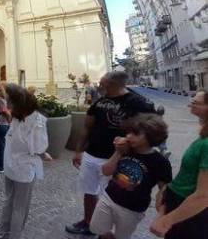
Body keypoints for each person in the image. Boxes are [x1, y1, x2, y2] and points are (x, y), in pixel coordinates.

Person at [66, 71, 156, 236]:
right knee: (89, 190)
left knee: (113, 197)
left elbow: (152, 129)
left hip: (118, 159)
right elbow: (87, 127)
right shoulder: (100, 102)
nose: (99, 86)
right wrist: (79, 151)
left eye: (102, 83)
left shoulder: (138, 103)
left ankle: (110, 231)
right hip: (92, 155)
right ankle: (88, 222)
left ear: (113, 84)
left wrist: (131, 144)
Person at [90, 114, 172, 239]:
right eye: (128, 132)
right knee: (97, 228)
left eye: (136, 134)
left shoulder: (160, 162)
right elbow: (106, 171)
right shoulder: (126, 150)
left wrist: (162, 211)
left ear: (151, 136)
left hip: (133, 209)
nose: (128, 136)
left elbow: (164, 188)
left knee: (121, 236)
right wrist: (118, 152)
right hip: (109, 197)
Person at [150, 91, 208, 239]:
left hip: (190, 213)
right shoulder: (204, 136)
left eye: (195, 103)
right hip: (179, 202)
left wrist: (166, 221)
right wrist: (166, 192)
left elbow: (204, 196)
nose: (189, 104)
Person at [0, 84, 49, 239]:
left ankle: (1, 231)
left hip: (11, 166)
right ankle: (15, 234)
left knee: (9, 200)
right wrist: (44, 154)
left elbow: (19, 141)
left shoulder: (18, 118)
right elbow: (38, 148)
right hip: (24, 169)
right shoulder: (36, 121)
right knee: (20, 206)